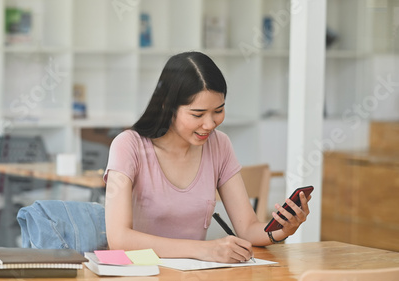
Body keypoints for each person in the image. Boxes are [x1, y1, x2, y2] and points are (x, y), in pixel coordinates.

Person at [103, 51, 311, 263]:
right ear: (167, 106)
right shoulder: (128, 145)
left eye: (218, 111)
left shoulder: (220, 145)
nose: (210, 124)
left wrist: (282, 229)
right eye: (198, 114)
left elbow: (248, 228)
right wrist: (203, 249)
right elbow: (119, 239)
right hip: (141, 273)